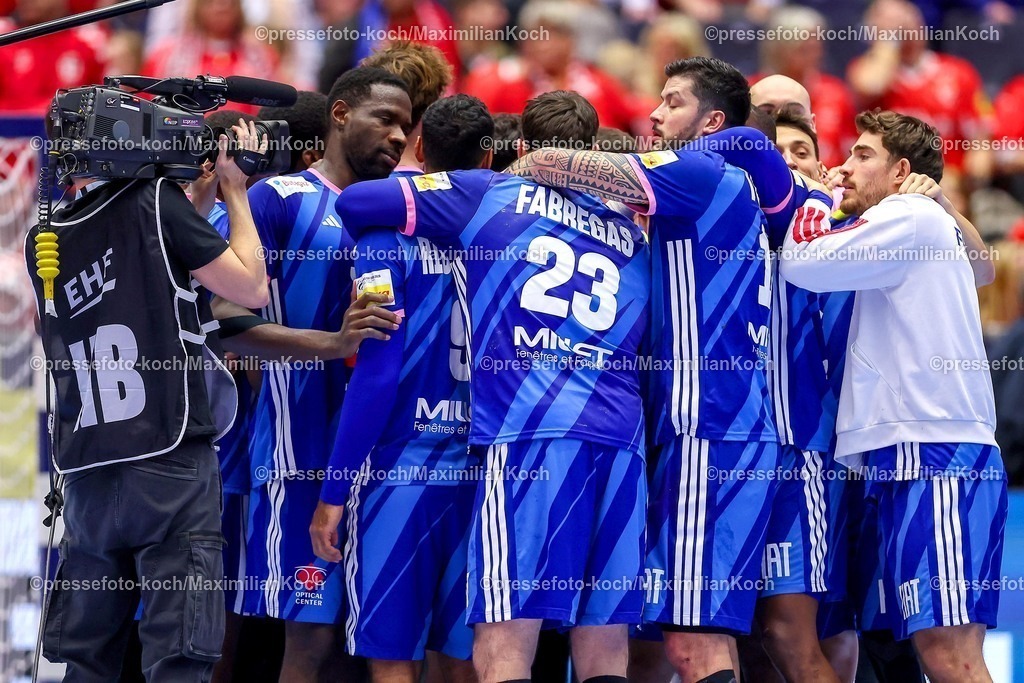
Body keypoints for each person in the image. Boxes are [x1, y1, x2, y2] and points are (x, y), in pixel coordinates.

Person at [336, 89, 651, 683]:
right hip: (621, 439)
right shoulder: (631, 231)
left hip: (530, 435)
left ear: (523, 146)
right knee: (604, 644)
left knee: (505, 638)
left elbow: (355, 202)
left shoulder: (490, 192)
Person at [509, 57, 779, 683]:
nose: (655, 114)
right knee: (682, 638)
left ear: (712, 122)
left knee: (692, 644)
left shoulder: (699, 170)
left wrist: (525, 161)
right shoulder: (726, 185)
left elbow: (582, 166)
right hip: (713, 425)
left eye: (673, 102)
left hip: (709, 424)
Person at [29, 117, 269, 681]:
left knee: (86, 659)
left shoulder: (45, 235)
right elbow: (250, 287)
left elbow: (157, 259)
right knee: (179, 655)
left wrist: (195, 197)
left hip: (87, 470)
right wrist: (234, 190)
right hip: (167, 456)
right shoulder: (155, 201)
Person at [781, 110, 1007, 683]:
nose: (846, 167)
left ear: (901, 171)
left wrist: (817, 195)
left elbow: (803, 261)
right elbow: (983, 271)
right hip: (917, 450)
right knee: (936, 651)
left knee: (950, 655)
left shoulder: (905, 214)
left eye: (862, 156)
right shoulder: (922, 219)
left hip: (935, 451)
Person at [211, 67, 411, 683]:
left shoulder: (405, 207)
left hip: (391, 453)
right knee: (305, 636)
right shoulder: (279, 198)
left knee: (379, 641)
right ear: (341, 114)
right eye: (386, 119)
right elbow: (222, 316)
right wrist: (332, 344)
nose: (399, 136)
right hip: (298, 450)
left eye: (407, 126)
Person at [309, 94, 487, 683]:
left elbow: (377, 374)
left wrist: (333, 492)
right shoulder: (509, 239)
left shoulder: (381, 241)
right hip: (484, 472)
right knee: (469, 659)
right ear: (488, 158)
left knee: (392, 662)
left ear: (420, 148)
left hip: (399, 474)